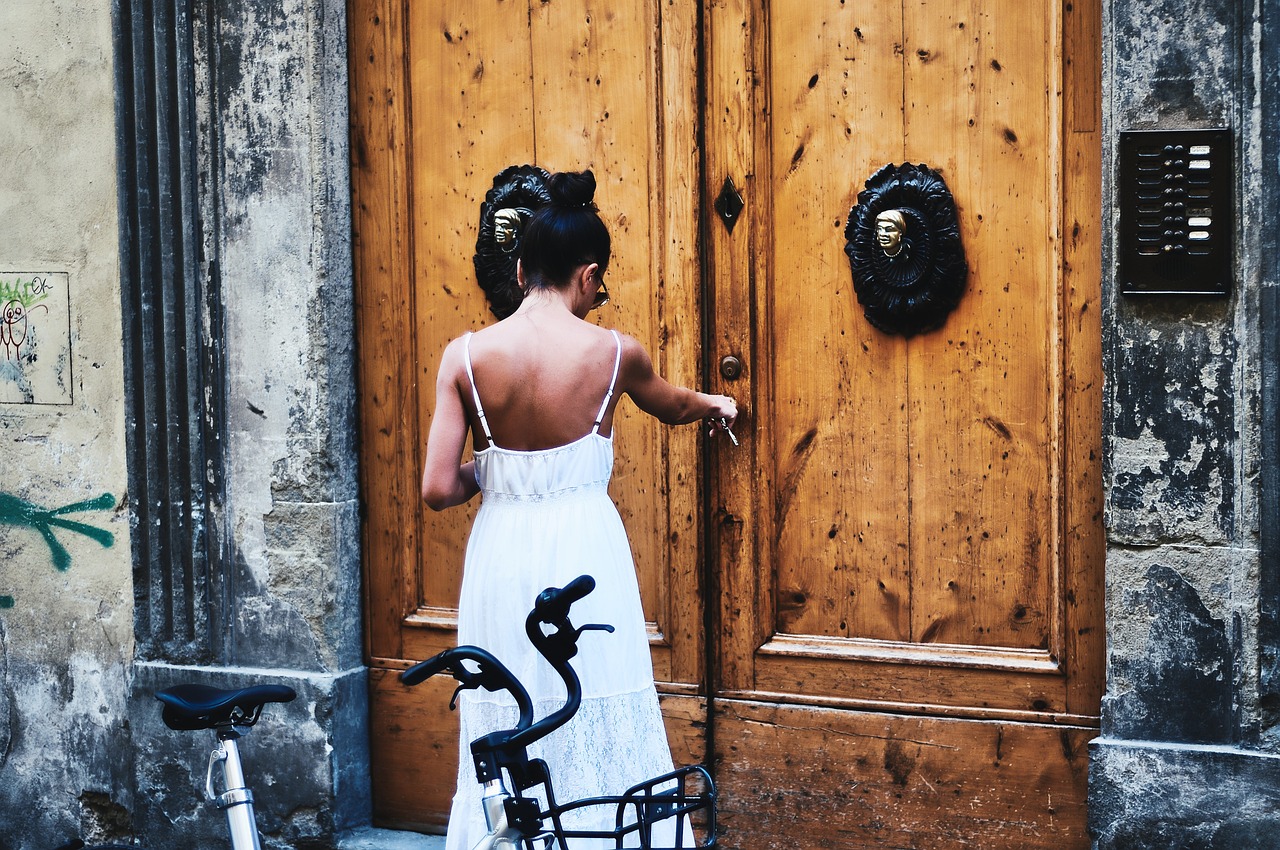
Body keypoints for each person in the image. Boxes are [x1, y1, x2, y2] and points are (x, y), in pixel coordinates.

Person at [421, 169, 738, 849]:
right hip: (584, 551)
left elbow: (439, 488)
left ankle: (508, 836)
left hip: (501, 552)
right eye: (600, 284)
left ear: (520, 270)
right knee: (594, 692)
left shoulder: (464, 357)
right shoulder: (616, 353)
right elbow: (673, 406)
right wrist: (715, 402)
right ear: (588, 275)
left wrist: (500, 469)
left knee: (507, 704)